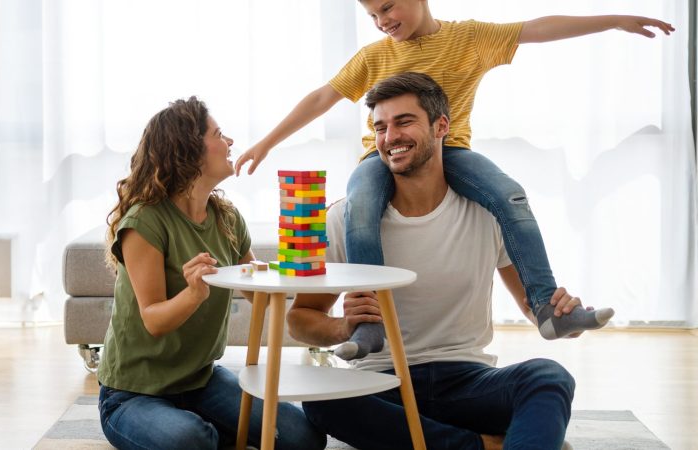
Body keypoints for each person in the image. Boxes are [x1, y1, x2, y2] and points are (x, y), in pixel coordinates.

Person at [237, 0, 671, 360]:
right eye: (372, 15)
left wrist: (614, 20)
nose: (382, 21)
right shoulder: (374, 56)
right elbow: (321, 97)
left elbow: (536, 28)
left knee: (509, 195)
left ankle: (546, 308)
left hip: (452, 151)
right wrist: (268, 143)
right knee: (361, 206)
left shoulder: (470, 38)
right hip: (380, 156)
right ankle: (371, 327)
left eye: (387, 7)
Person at [288, 72, 589, 449]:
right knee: (322, 398)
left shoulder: (487, 214)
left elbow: (532, 306)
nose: (390, 137)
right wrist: (342, 328)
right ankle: (485, 446)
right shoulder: (341, 217)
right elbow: (300, 319)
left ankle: (436, 441)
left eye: (404, 122)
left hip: (467, 382)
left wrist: (563, 320)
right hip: (383, 381)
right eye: (380, 127)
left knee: (549, 377)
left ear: (441, 125)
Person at [98, 96, 325, 450]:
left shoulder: (227, 218)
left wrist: (289, 269)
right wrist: (193, 293)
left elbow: (255, 293)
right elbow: (154, 320)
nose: (230, 142)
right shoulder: (144, 221)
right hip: (133, 393)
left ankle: (205, 428)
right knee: (190, 440)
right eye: (219, 134)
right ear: (187, 150)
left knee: (303, 439)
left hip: (200, 381)